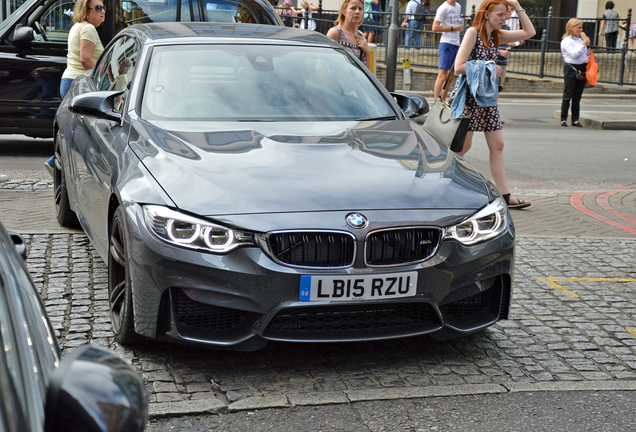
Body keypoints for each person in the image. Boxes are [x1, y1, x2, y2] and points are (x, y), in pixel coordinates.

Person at [451, 0, 535, 210]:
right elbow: (457, 67)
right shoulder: (473, 33)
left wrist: (516, 6)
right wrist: (489, 67)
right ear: (486, 13)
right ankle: (442, 184)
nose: (504, 19)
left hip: (487, 98)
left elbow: (530, 32)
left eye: (506, 15)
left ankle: (505, 196)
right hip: (470, 97)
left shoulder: (497, 35)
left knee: (498, 145)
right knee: (463, 147)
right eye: (500, 14)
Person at [45, 0, 105, 177]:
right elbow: (85, 59)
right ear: (86, 11)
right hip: (80, 84)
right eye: (98, 8)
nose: (103, 11)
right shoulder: (88, 29)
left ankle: (60, 164)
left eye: (103, 7)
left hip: (71, 81)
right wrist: (99, 81)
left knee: (79, 129)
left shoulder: (78, 27)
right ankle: (59, 164)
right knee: (87, 130)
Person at [560, 18, 591, 128]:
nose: (581, 30)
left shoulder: (579, 40)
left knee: (577, 96)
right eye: (579, 27)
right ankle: (563, 118)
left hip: (582, 67)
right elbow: (574, 54)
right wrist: (583, 45)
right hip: (571, 68)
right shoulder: (567, 41)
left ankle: (575, 119)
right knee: (568, 94)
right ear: (572, 28)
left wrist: (587, 53)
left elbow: (582, 55)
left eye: (581, 27)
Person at [432, 0, 463, 101]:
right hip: (446, 43)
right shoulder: (443, 8)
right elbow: (435, 27)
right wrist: (452, 28)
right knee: (442, 75)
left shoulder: (458, 6)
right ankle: (436, 101)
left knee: (450, 76)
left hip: (456, 43)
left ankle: (443, 101)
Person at [327, 0, 370, 68]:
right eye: (353, 8)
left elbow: (366, 72)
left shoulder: (361, 36)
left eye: (360, 9)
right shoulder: (335, 33)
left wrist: (368, 52)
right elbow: (323, 63)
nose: (357, 12)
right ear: (344, 11)